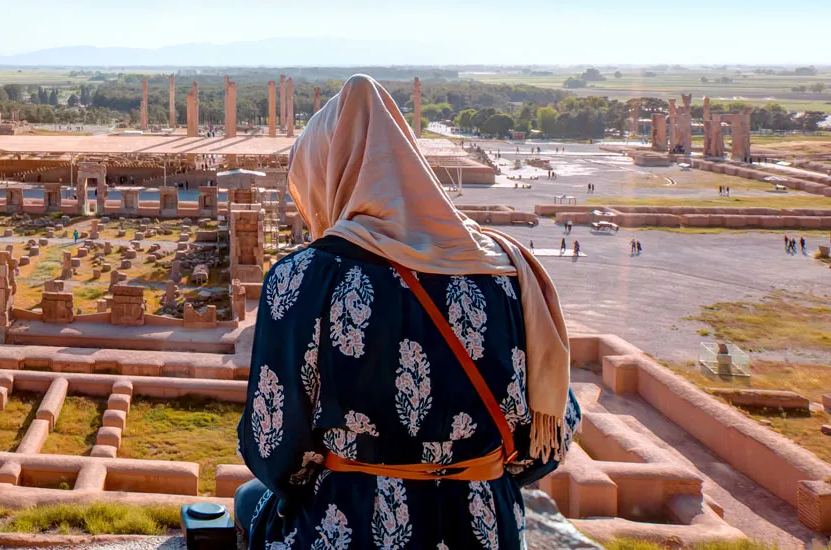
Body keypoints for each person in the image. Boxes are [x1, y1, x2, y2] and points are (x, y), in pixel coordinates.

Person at [235, 75, 579, 550]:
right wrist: (469, 475)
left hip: (350, 526)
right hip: (484, 527)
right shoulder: (509, 270)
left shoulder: (306, 278)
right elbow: (550, 434)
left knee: (248, 497)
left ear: (326, 171)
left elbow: (272, 446)